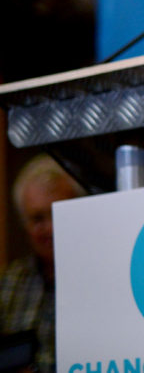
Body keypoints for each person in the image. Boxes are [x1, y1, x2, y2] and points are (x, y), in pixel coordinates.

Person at [1, 154, 86, 373]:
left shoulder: (103, 277)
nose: (51, 228)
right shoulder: (9, 284)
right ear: (23, 223)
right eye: (38, 218)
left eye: (59, 213)